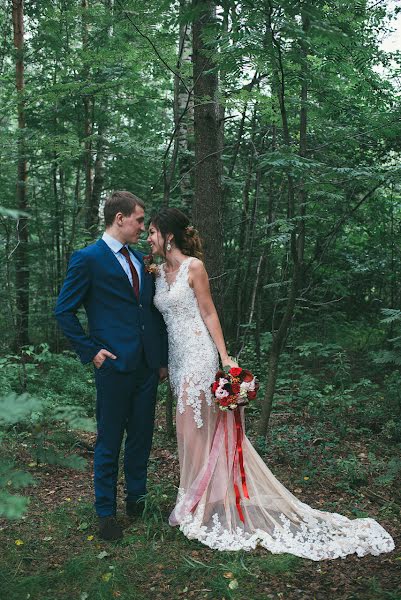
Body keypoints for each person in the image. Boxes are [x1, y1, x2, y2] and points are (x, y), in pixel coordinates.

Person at [148, 206, 394, 560]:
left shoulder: (194, 267)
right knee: (189, 431)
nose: (150, 238)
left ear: (168, 235)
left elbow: (208, 311)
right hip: (177, 359)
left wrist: (225, 357)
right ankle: (201, 498)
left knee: (193, 427)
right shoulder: (157, 272)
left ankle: (201, 504)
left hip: (200, 355)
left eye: (154, 231)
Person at [55, 191, 168, 541]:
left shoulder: (139, 260)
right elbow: (64, 310)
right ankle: (106, 512)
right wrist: (92, 351)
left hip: (146, 366)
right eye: (138, 219)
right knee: (109, 440)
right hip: (114, 366)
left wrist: (159, 360)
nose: (141, 227)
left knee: (141, 438)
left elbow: (149, 312)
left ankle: (137, 500)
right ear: (119, 218)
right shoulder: (88, 258)